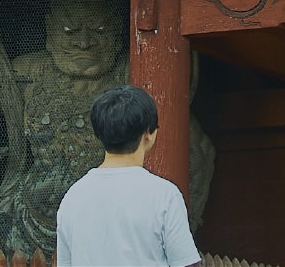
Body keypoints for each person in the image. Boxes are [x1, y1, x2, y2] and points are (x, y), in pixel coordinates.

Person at [54, 83, 203, 267]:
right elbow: (186, 264)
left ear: (99, 134)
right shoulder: (164, 196)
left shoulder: (72, 197)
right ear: (148, 134)